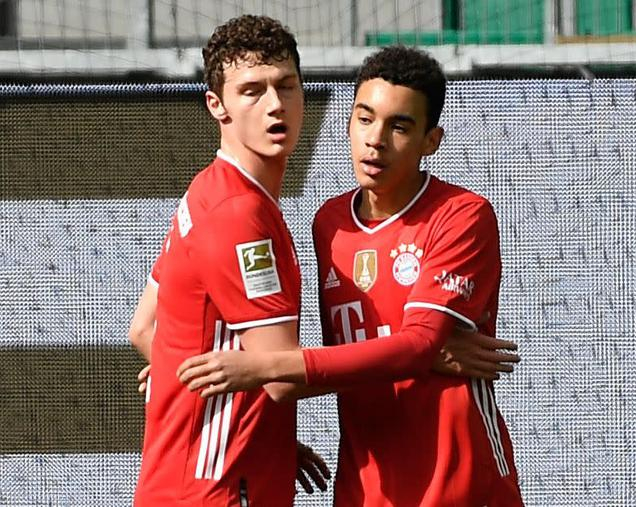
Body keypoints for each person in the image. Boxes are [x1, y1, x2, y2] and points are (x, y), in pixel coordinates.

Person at [176, 46, 524, 506]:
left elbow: (418, 343)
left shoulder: (462, 215)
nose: (375, 140)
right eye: (364, 119)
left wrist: (264, 367)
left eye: (400, 126)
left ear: (431, 141)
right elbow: (389, 351)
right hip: (364, 484)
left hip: (458, 479)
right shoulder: (330, 223)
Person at [132, 14, 319, 506]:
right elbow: (279, 377)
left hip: (192, 483)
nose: (275, 104)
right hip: (220, 491)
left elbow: (145, 328)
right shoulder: (238, 213)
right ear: (217, 105)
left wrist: (255, 428)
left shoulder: (209, 189)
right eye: (252, 91)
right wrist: (415, 355)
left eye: (287, 86)